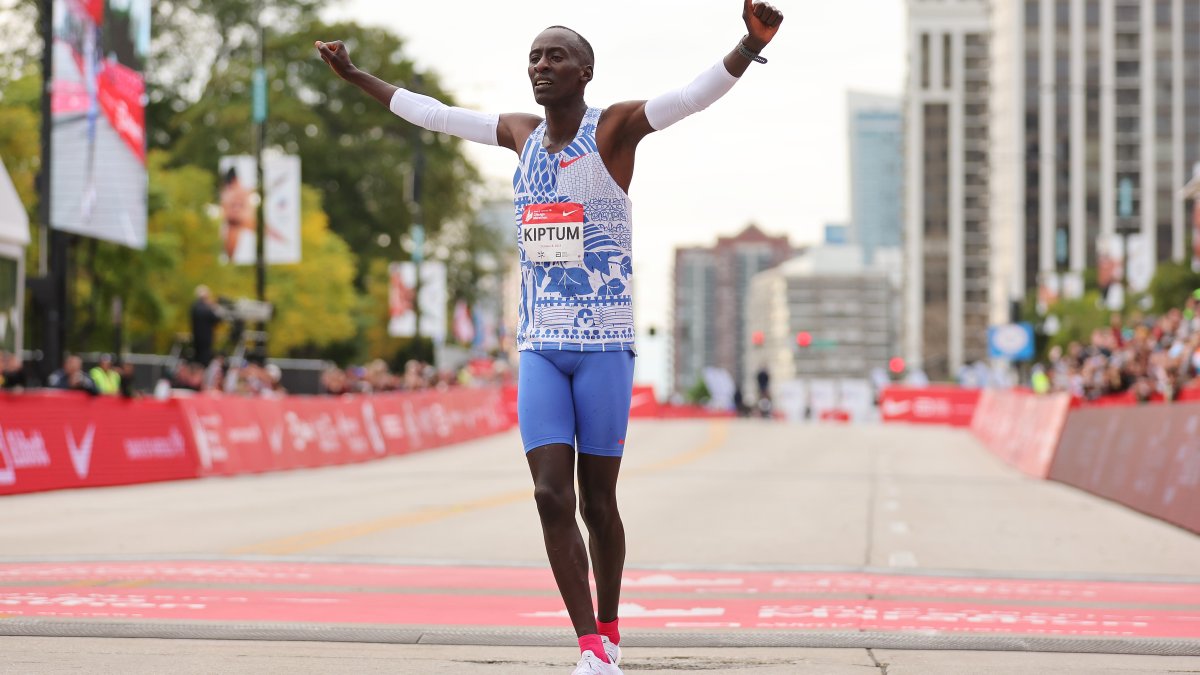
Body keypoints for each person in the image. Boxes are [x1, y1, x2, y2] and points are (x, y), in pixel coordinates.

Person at [317, 3, 783, 672]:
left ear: (584, 72)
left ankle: (613, 621)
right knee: (548, 494)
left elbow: (690, 97)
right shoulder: (518, 133)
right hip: (540, 344)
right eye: (534, 56)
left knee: (599, 502)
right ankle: (590, 645)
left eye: (555, 56)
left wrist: (748, 43)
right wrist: (358, 75)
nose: (541, 65)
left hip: (604, 348)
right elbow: (435, 114)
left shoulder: (614, 130)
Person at [190, 285, 224, 366]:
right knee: (204, 360)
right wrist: (214, 308)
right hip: (206, 338)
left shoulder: (194, 306)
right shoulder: (206, 308)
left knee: (198, 358)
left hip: (196, 337)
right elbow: (217, 319)